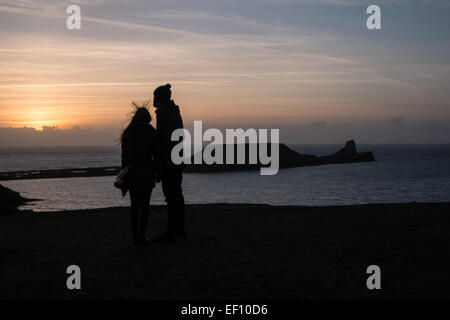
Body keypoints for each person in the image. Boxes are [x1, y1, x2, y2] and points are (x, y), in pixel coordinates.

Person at [121, 104, 160, 245]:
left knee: (134, 205)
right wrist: (158, 172)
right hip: (147, 172)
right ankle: (142, 235)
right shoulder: (150, 131)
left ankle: (134, 237)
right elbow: (156, 154)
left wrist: (124, 173)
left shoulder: (128, 132)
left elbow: (124, 157)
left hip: (132, 173)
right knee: (145, 206)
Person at [153, 84, 186, 242]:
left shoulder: (164, 115)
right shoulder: (174, 113)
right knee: (176, 195)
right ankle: (179, 228)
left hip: (169, 162)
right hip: (176, 160)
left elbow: (162, 142)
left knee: (172, 196)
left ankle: (172, 230)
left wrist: (160, 165)